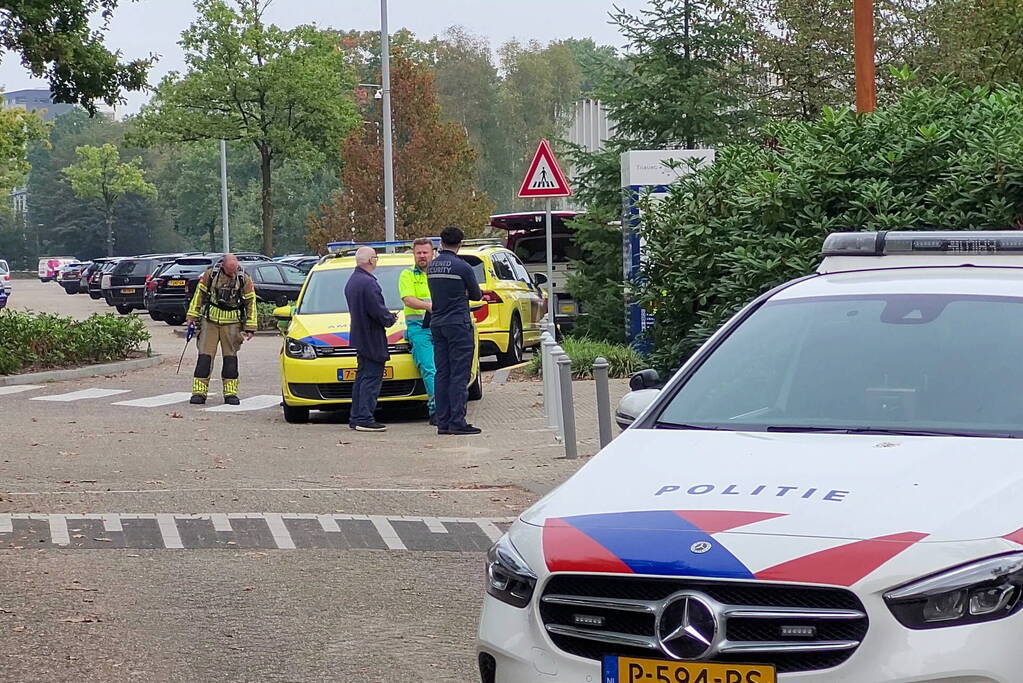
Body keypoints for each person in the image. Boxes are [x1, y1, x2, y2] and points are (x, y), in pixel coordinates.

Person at [427, 226, 483, 435]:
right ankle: (457, 422)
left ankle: (443, 422)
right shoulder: (463, 267)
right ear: (460, 244)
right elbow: (476, 295)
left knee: (442, 373)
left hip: (437, 324)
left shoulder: (432, 266)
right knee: (459, 374)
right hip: (458, 324)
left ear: (441, 243)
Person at [185, 253, 257, 405]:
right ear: (223, 265)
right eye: (230, 270)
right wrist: (192, 315)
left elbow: (251, 302)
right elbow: (199, 294)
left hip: (232, 323)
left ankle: (230, 393)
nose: (232, 274)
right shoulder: (210, 275)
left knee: (230, 360)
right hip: (210, 321)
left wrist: (250, 327)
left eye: (234, 270)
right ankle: (199, 392)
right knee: (204, 358)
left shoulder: (244, 279)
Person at [344, 246, 398, 432]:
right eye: (375, 257)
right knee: (371, 378)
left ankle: (356, 416)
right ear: (370, 260)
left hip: (360, 336)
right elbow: (377, 310)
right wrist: (390, 318)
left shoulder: (353, 281)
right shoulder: (369, 283)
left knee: (362, 377)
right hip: (371, 336)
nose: (376, 260)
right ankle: (364, 418)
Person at [398, 237, 437, 425]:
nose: (422, 256)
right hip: (420, 328)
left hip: (442, 326)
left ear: (433, 253)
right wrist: (429, 306)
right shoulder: (407, 275)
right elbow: (408, 299)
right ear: (413, 254)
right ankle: (436, 410)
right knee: (430, 369)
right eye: (418, 252)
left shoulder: (439, 273)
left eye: (425, 252)